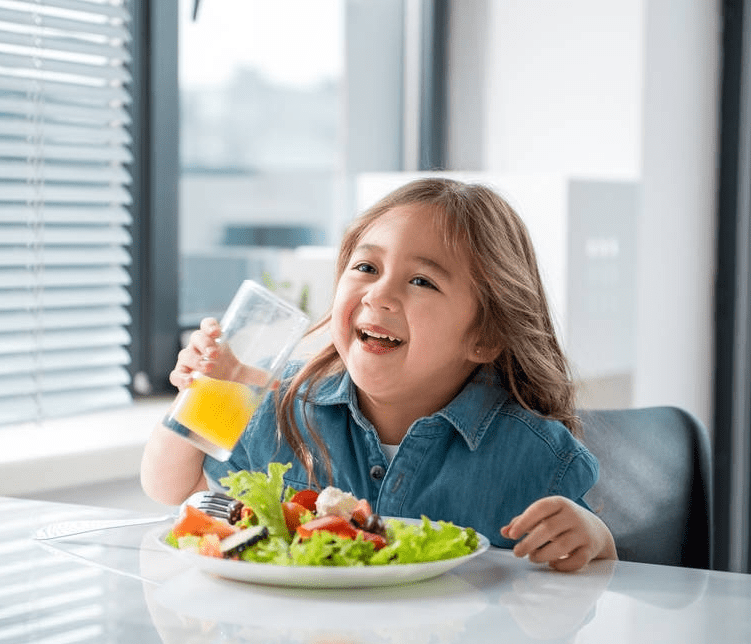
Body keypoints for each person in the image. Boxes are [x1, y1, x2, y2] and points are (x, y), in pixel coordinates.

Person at [141, 177, 616, 572]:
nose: (378, 294)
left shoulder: (535, 454)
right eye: (366, 266)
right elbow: (175, 491)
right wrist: (200, 396)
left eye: (421, 281)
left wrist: (596, 540)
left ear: (485, 336)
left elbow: (598, 576)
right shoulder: (277, 404)